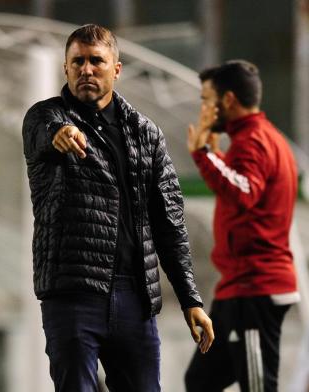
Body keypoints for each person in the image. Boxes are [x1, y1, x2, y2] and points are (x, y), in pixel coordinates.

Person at [22, 24, 214, 392]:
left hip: (135, 299)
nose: (86, 70)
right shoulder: (45, 118)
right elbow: (41, 136)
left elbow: (169, 223)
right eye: (77, 61)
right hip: (72, 295)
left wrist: (191, 298)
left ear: (117, 69)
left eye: (96, 61)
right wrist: (58, 136)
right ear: (66, 69)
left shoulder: (146, 133)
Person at [184, 60, 300, 392]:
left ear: (229, 101)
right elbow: (245, 185)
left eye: (207, 100)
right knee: (200, 381)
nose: (204, 109)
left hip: (255, 289)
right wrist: (216, 155)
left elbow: (244, 190)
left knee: (259, 386)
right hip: (239, 289)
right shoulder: (257, 139)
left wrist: (203, 153)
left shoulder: (254, 141)